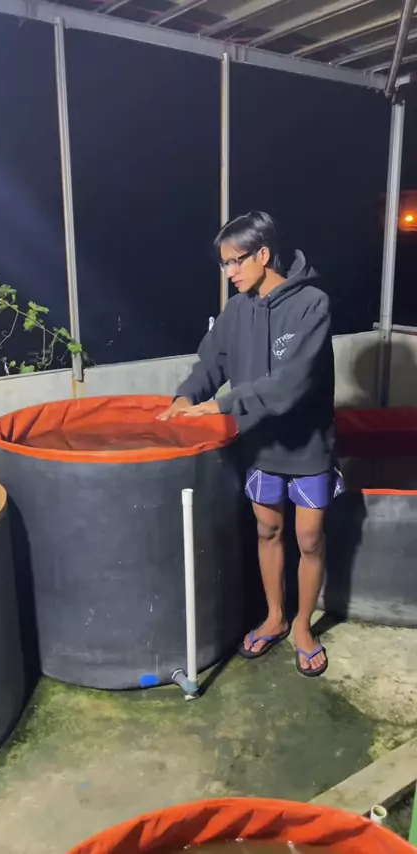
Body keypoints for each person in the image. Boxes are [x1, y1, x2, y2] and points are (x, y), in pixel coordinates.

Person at [158, 211, 343, 677]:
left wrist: (219, 407)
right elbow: (212, 362)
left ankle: (303, 626)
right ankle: (275, 617)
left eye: (235, 261)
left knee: (309, 538)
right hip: (260, 444)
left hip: (308, 445)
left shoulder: (312, 304)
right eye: (223, 264)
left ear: (263, 254)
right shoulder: (237, 310)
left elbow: (292, 383)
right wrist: (187, 396)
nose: (229, 272)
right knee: (268, 530)